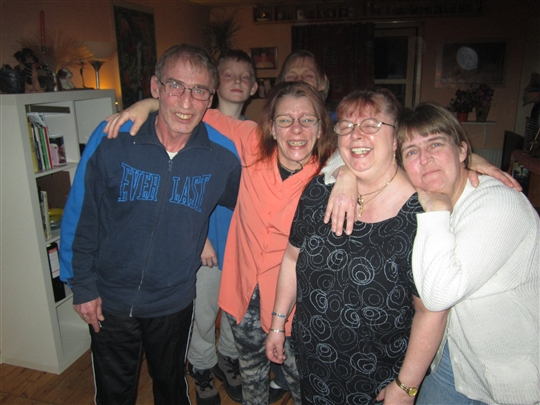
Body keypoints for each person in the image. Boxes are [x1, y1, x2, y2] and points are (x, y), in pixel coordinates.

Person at [104, 81, 335, 405]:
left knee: (305, 384)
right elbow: (197, 111)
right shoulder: (252, 142)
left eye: (307, 120)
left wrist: (347, 176)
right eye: (285, 120)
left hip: (297, 304)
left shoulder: (330, 175)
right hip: (244, 294)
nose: (296, 129)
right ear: (271, 126)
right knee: (252, 374)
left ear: (321, 126)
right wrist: (149, 104)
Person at [59, 44, 241, 405]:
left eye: (199, 90)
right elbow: (82, 215)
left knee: (171, 388)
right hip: (109, 298)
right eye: (175, 86)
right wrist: (82, 285)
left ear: (210, 99)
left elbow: (245, 207)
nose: (186, 102)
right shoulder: (113, 139)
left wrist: (203, 235)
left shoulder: (222, 157)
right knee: (114, 395)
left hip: (173, 301)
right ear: (156, 87)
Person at [266, 88, 449, 405]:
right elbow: (292, 258)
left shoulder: (422, 215)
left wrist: (406, 386)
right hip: (314, 364)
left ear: (396, 138)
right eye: (347, 126)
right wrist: (278, 324)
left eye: (371, 124)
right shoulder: (319, 191)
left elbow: (431, 311)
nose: (356, 135)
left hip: (379, 380)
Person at [397, 102, 539, 405]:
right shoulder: (437, 192)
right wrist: (345, 177)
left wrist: (436, 210)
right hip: (456, 360)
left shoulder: (498, 204)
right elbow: (362, 155)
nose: (424, 159)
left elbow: (438, 296)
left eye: (436, 144)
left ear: (462, 150)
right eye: (411, 152)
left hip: (512, 378)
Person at [188, 49, 257, 405]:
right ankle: (201, 365)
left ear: (254, 87)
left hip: (241, 240)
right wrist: (200, 237)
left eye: (244, 77)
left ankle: (227, 358)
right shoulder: (198, 125)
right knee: (203, 311)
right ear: (215, 83)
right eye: (229, 75)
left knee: (236, 308)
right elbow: (187, 185)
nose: (237, 82)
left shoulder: (256, 133)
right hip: (207, 238)